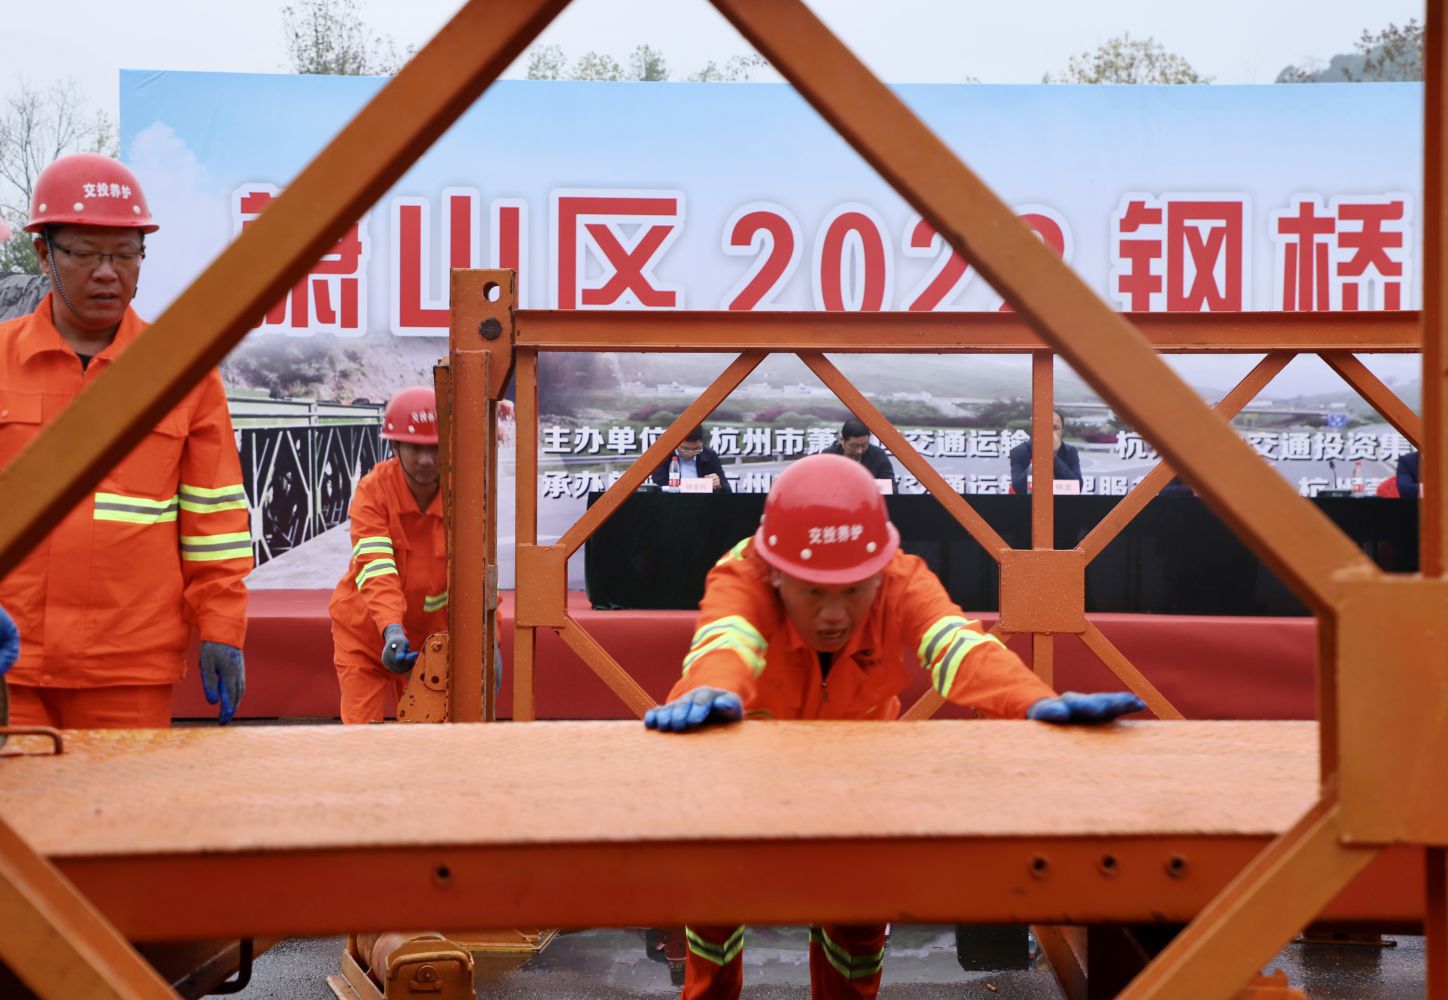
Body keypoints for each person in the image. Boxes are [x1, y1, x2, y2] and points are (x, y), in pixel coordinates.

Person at [644, 454, 1144, 1000]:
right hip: (746, 763)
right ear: (777, 572)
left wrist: (1032, 701)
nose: (834, 615)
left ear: (879, 573)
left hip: (859, 772)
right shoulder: (744, 573)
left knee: (858, 920)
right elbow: (725, 640)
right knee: (714, 906)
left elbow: (956, 644)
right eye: (813, 592)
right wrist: (710, 689)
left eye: (852, 591)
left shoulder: (901, 578)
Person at [0, 153, 250, 729]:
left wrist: (222, 626)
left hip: (127, 664)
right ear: (43, 253)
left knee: (124, 794)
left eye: (124, 254)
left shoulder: (182, 372)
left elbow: (215, 519)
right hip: (11, 661)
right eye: (86, 254)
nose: (107, 273)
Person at [329, 386, 448, 724]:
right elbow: (376, 567)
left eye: (435, 447)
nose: (425, 460)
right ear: (395, 446)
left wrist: (491, 643)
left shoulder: (465, 494)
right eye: (415, 447)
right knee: (362, 739)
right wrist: (392, 630)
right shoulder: (374, 491)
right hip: (365, 636)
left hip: (429, 645)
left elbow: (480, 573)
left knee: (427, 739)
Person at [1009, 410, 1083, 494]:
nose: (1050, 433)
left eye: (1055, 428)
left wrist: (1052, 457)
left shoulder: (1070, 451)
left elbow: (1077, 487)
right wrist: (1042, 456)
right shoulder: (1020, 451)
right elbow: (1018, 488)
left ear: (1062, 431)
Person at [651, 424, 732, 492]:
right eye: (685, 449)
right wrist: (700, 485)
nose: (690, 454)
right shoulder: (663, 456)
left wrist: (719, 485)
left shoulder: (709, 455)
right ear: (676, 442)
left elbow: (728, 491)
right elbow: (660, 487)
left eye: (696, 449)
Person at [824, 417, 896, 485]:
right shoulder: (828, 456)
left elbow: (891, 487)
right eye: (854, 446)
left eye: (864, 445)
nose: (859, 451)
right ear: (842, 440)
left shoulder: (878, 455)